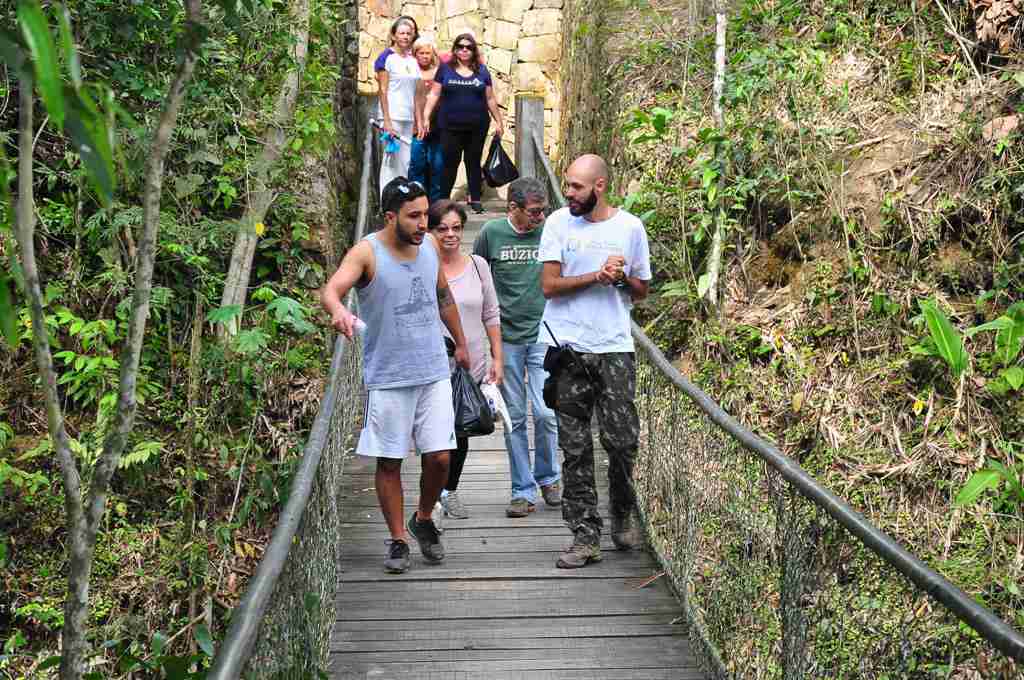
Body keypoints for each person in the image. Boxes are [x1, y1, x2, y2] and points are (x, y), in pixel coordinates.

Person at [321, 176, 470, 574]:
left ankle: (423, 519)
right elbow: (331, 289)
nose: (424, 223)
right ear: (391, 217)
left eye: (426, 214)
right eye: (414, 216)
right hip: (388, 375)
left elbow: (443, 296)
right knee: (390, 460)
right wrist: (338, 310)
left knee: (440, 456)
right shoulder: (367, 253)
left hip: (433, 368)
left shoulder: (430, 247)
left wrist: (462, 342)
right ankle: (398, 538)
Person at [537, 154, 652, 569]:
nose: (568, 193)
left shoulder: (630, 228)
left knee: (622, 443)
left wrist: (620, 278)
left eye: (576, 187)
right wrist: (595, 277)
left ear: (599, 186)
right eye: (567, 185)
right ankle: (585, 534)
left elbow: (641, 289)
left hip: (614, 348)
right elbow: (549, 286)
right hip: (567, 349)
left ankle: (621, 511)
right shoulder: (557, 224)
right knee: (575, 448)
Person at [473, 177, 561, 519]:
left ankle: (549, 478)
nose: (540, 218)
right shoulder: (491, 234)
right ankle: (522, 490)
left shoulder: (550, 232)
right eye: (535, 212)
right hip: (505, 338)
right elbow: (476, 274)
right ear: (514, 208)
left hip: (543, 333)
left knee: (546, 412)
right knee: (514, 416)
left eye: (543, 211)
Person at [428, 200, 503, 519]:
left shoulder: (477, 266)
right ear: (431, 231)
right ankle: (430, 496)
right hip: (434, 363)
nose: (450, 234)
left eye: (456, 228)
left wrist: (497, 357)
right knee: (434, 434)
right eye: (442, 228)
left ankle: (449, 491)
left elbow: (491, 313)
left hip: (471, 362)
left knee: (464, 426)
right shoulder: (423, 266)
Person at [422, 33, 505, 215]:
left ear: (473, 50)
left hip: (477, 126)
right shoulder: (445, 69)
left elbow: (490, 98)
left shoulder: (482, 71)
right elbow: (434, 94)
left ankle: (475, 199)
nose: (464, 50)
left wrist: (499, 121)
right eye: (460, 46)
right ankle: (444, 201)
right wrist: (426, 116)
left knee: (473, 162)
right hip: (450, 127)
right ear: (455, 49)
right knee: (450, 163)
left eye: (469, 47)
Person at [375, 17, 420, 193]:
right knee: (391, 162)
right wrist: (386, 120)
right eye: (401, 33)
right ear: (394, 35)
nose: (405, 37)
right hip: (392, 116)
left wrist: (418, 119)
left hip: (407, 116)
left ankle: (401, 200)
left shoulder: (412, 60)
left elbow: (416, 92)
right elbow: (383, 90)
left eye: (409, 34)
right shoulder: (386, 58)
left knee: (405, 161)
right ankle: (387, 202)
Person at [410, 37, 444, 203]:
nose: (424, 56)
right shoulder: (411, 71)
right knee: (417, 165)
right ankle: (417, 201)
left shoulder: (440, 71)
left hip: (438, 126)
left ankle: (435, 205)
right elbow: (415, 99)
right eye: (421, 53)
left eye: (427, 53)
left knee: (437, 166)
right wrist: (419, 122)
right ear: (415, 54)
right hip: (416, 127)